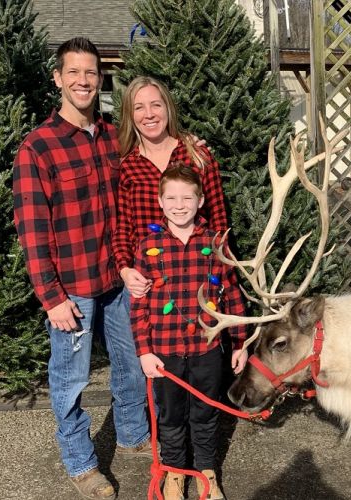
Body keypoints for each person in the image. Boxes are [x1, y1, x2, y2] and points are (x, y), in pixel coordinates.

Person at [13, 38, 150, 500]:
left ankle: (133, 436)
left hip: (118, 278)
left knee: (131, 364)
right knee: (70, 379)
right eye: (73, 73)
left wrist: (190, 147)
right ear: (58, 79)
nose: (83, 81)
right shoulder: (39, 147)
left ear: (100, 78)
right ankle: (80, 461)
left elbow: (153, 160)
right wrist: (51, 297)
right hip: (71, 289)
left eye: (90, 73)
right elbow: (32, 228)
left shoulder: (114, 135)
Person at [131, 163, 249, 500]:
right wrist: (144, 350)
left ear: (200, 201)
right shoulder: (148, 245)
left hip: (207, 349)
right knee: (170, 416)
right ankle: (173, 471)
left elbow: (232, 293)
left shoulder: (216, 242)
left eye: (187, 197)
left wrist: (240, 344)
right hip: (164, 350)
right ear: (160, 201)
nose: (179, 205)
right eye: (171, 197)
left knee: (205, 412)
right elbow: (138, 306)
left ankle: (205, 471)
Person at [112, 76, 228, 300]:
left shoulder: (197, 156)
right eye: (139, 107)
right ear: (130, 115)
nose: (149, 114)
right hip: (149, 280)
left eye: (156, 105)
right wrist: (125, 270)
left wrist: (222, 271)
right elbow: (124, 229)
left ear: (168, 108)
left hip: (197, 275)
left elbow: (219, 222)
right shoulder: (128, 166)